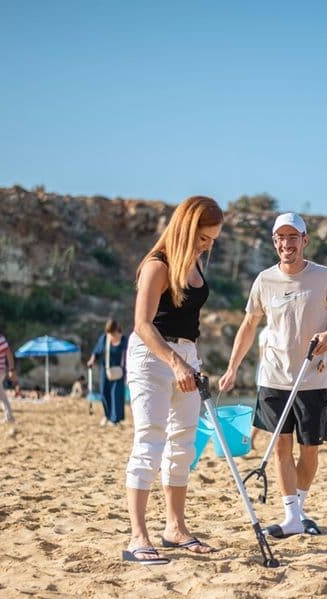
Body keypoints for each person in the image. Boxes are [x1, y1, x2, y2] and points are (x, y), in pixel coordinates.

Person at [219, 212, 327, 539]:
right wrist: (232, 367)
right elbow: (249, 325)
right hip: (273, 377)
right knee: (281, 446)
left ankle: (299, 507)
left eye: (293, 237)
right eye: (280, 238)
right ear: (274, 242)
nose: (286, 244)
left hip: (312, 378)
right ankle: (292, 515)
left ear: (305, 240)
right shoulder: (264, 280)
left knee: (310, 450)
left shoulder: (323, 277)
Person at [123, 195, 224, 565]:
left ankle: (175, 528)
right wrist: (176, 362)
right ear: (185, 228)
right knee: (150, 440)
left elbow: (188, 322)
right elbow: (142, 324)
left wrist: (191, 360)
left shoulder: (193, 262)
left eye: (212, 240)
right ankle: (137, 536)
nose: (208, 246)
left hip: (186, 356)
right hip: (152, 356)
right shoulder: (157, 265)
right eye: (203, 238)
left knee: (183, 443)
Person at [87, 319, 129, 426]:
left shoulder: (124, 340)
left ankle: (115, 419)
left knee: (116, 395)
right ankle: (107, 415)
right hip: (105, 369)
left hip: (119, 371)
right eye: (109, 332)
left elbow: (129, 354)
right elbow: (96, 351)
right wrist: (92, 360)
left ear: (116, 330)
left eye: (112, 332)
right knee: (104, 394)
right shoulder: (104, 338)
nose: (110, 335)